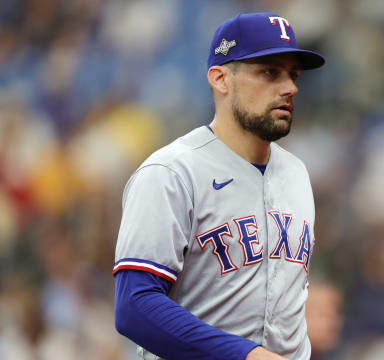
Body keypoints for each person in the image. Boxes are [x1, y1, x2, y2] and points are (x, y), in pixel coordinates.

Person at [112, 12, 325, 360]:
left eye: (292, 74)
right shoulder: (171, 172)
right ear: (220, 79)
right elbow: (135, 307)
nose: (290, 88)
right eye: (270, 72)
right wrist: (245, 355)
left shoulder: (297, 173)